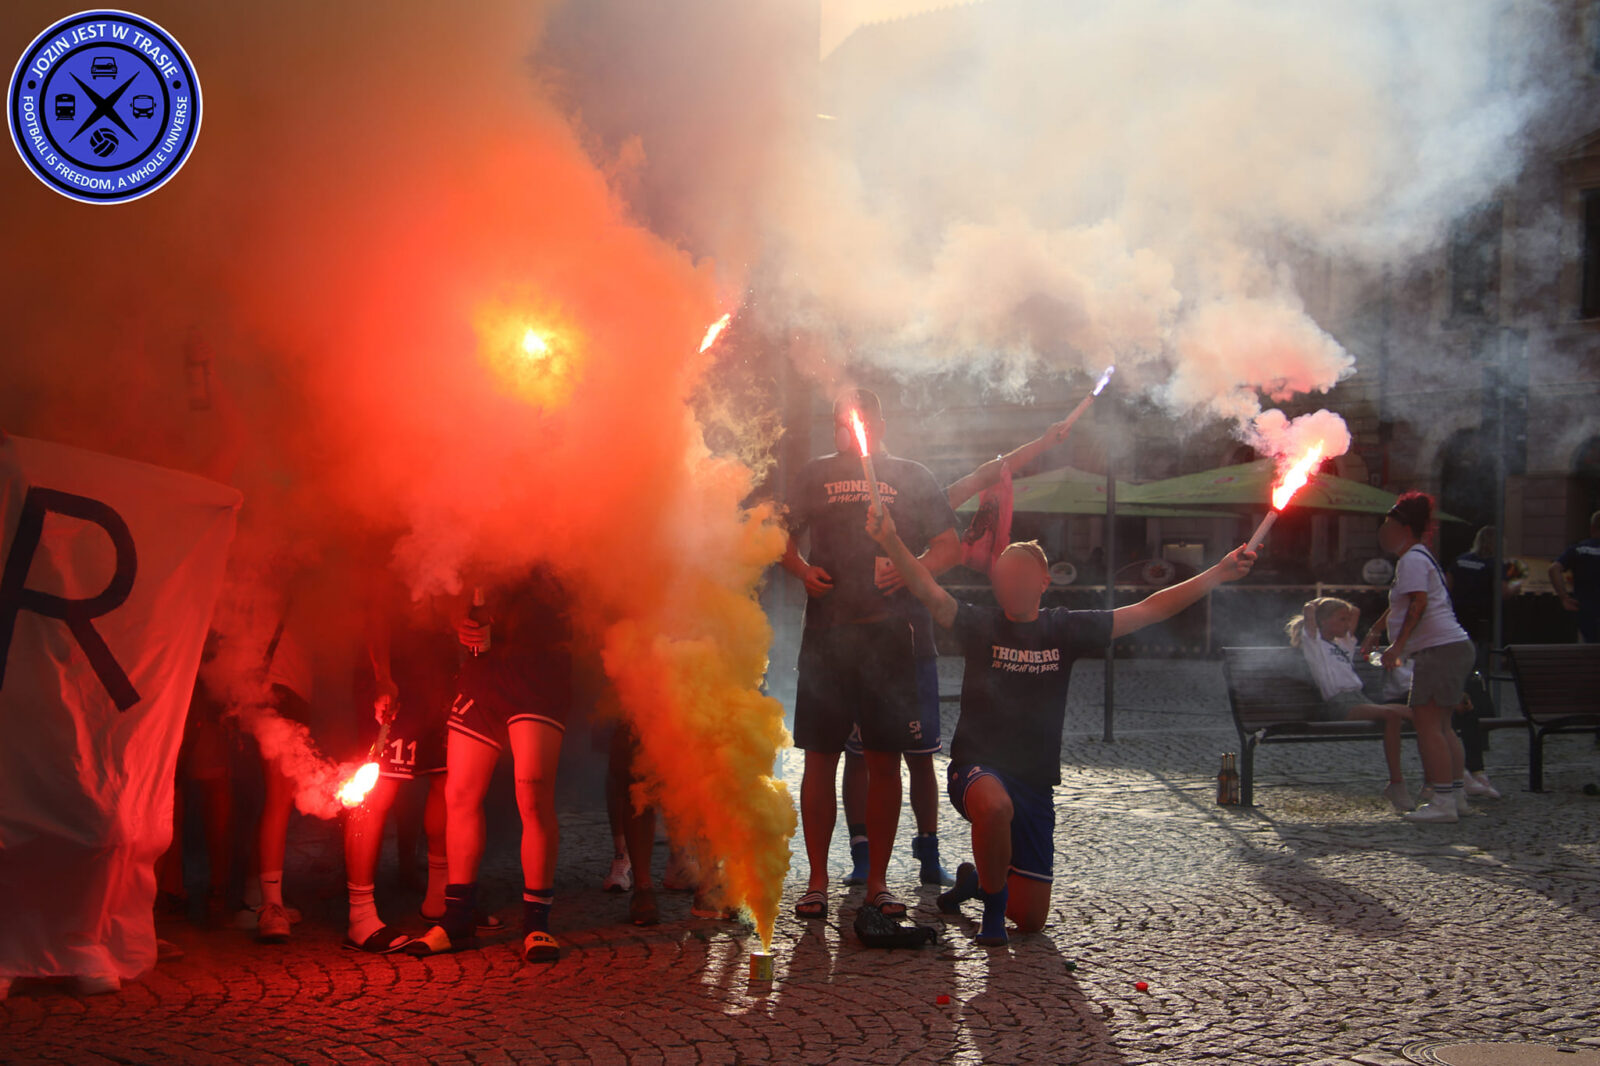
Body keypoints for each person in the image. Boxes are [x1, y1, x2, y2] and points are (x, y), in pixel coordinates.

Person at [866, 503, 1256, 945]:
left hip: (1034, 782)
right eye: (1004, 576)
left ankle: (978, 883)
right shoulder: (980, 623)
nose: (1011, 584)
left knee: (1031, 921)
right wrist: (891, 540)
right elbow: (929, 591)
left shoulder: (1064, 629)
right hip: (976, 770)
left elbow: (1149, 609)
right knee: (995, 808)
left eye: (1021, 576)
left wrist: (1218, 573)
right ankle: (992, 916)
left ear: (1044, 582)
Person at [781, 389, 961, 919]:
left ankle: (879, 881)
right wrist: (801, 571)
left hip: (889, 637)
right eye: (839, 420)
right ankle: (816, 880)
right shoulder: (813, 474)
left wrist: (911, 565)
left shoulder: (912, 474)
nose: (848, 427)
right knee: (820, 758)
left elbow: (949, 545)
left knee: (886, 760)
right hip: (827, 636)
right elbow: (777, 537)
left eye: (856, 420)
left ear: (879, 423)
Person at [410, 569, 573, 963]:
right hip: (483, 675)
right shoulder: (477, 525)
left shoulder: (559, 523)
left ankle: (537, 924)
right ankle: (457, 921)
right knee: (460, 793)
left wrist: (512, 629)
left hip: (537, 670)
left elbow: (570, 602)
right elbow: (451, 584)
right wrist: (459, 623)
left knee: (532, 792)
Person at [340, 572, 468, 954]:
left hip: (438, 676)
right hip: (395, 678)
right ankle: (360, 915)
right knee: (376, 793)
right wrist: (382, 676)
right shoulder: (387, 528)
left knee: (446, 779)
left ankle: (439, 896)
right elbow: (375, 604)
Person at [1359, 493, 1476, 824]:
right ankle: (1455, 796)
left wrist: (1397, 646)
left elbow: (1417, 604)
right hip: (1452, 647)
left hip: (1439, 650)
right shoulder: (1421, 556)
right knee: (1442, 725)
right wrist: (1376, 632)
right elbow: (1401, 604)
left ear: (1404, 528)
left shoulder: (1411, 560)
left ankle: (1442, 801)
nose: (1383, 530)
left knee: (1428, 727)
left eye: (1387, 524)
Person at [1287, 598, 1415, 810]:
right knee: (1392, 715)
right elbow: (1308, 608)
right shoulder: (1314, 642)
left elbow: (1355, 610)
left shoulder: (1342, 643)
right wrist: (1319, 603)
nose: (1347, 624)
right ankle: (1396, 783)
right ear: (1323, 621)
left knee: (1415, 713)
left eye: (1347, 620)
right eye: (1341, 619)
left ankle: (1442, 779)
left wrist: (1342, 609)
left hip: (1359, 698)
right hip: (1339, 703)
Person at [1448, 526, 1519, 671]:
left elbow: (1446, 586)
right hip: (1484, 614)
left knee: (1462, 650)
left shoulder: (1460, 560)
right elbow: (1502, 592)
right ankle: (1485, 683)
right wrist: (1516, 587)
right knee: (1488, 651)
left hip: (1459, 612)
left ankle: (1464, 682)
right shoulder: (1495, 564)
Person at [1548, 510, 1600, 643]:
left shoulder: (1577, 549)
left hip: (1586, 612)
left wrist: (1564, 597)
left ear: (1592, 527)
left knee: (1587, 654)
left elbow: (1554, 569)